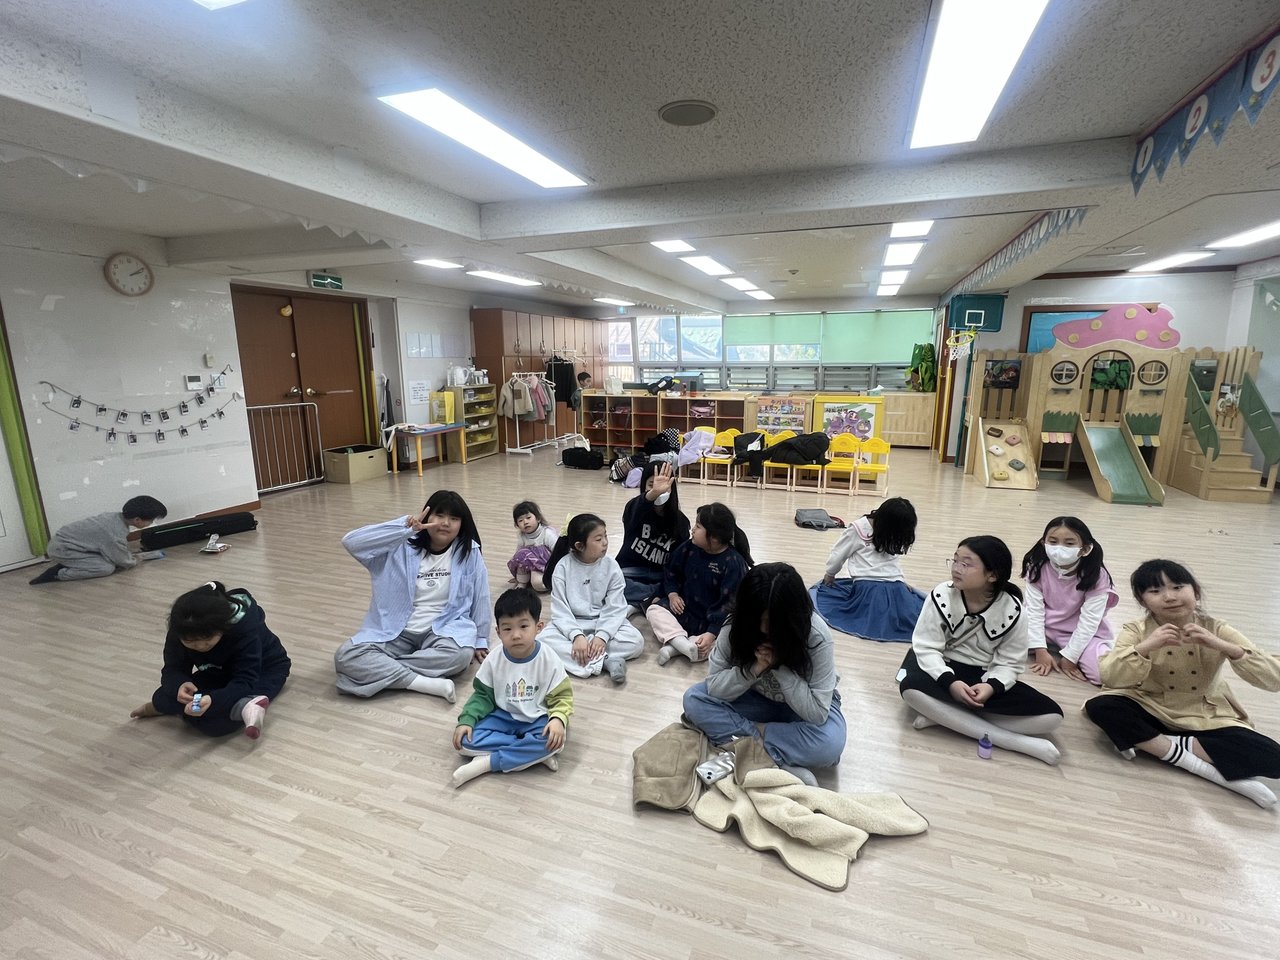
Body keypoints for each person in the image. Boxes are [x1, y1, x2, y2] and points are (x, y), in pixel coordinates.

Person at [1084, 559, 1280, 808]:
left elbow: (1274, 679)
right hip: (1150, 705)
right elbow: (1110, 677)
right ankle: (1200, 766)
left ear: (1195, 592)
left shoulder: (1216, 628)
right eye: (1155, 591)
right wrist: (1145, 647)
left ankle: (1156, 744)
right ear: (1143, 601)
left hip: (1207, 715)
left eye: (1177, 587)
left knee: (1273, 757)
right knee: (1101, 707)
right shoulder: (1137, 629)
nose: (1169, 597)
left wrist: (1225, 647)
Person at [897, 535, 1064, 765]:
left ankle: (945, 716)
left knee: (1052, 717)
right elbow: (926, 648)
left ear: (992, 575)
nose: (956, 568)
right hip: (940, 670)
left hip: (983, 677)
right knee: (910, 688)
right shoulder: (941, 595)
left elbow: (1010, 663)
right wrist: (950, 682)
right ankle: (1014, 742)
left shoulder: (1014, 610)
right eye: (955, 560)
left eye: (966, 564)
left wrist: (991, 686)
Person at [682, 563, 846, 786]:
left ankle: (748, 742)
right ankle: (775, 757)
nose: (763, 629)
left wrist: (779, 668)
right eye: (757, 619)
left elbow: (817, 713)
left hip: (801, 709)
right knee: (694, 699)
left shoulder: (816, 636)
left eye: (773, 622)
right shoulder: (735, 626)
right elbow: (715, 688)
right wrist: (754, 669)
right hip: (756, 699)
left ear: (793, 617)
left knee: (830, 744)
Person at [334, 490, 491, 702]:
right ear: (426, 516)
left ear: (462, 524)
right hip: (396, 630)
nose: (445, 523)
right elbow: (351, 541)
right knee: (345, 656)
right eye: (439, 515)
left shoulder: (469, 552)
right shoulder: (399, 545)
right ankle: (424, 683)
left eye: (454, 518)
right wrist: (403, 527)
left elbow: (481, 596)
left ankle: (381, 669)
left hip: (443, 628)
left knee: (461, 655)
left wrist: (481, 639)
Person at [130, 581, 290, 739]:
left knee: (216, 724)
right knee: (164, 695)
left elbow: (245, 680)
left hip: (264, 669)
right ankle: (242, 707)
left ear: (222, 628)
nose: (200, 647)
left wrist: (213, 700)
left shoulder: (243, 631)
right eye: (191, 643)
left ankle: (242, 705)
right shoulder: (180, 631)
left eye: (207, 641)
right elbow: (172, 669)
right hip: (217, 671)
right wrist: (179, 684)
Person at [451, 588, 573, 787]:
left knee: (555, 740)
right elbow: (482, 696)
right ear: (498, 632)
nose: (516, 635)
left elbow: (562, 697)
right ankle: (531, 755)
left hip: (537, 718)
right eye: (507, 629)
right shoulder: (494, 659)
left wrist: (558, 719)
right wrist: (467, 719)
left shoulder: (548, 658)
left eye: (524, 626)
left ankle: (486, 763)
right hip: (502, 716)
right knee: (464, 742)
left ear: (538, 627)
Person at [538, 513, 643, 684]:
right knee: (542, 641)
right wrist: (576, 636)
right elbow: (560, 609)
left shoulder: (611, 566)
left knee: (636, 642)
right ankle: (605, 661)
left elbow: (615, 606)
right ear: (580, 546)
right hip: (572, 622)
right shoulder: (563, 567)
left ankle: (585, 656)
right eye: (598, 539)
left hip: (603, 621)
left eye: (605, 536)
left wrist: (602, 636)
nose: (605, 542)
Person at [647, 502, 753, 665]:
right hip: (684, 611)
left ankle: (675, 647)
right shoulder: (689, 547)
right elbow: (671, 570)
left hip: (710, 623)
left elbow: (729, 603)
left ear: (714, 537)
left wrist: (711, 633)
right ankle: (682, 643)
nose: (693, 529)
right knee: (654, 610)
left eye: (698, 526)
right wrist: (673, 594)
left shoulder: (733, 563)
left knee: (721, 642)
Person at [1021, 516, 1118, 684]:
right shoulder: (1037, 568)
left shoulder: (1096, 575)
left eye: (1069, 543)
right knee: (995, 644)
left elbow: (1089, 622)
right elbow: (1034, 611)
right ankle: (1045, 645)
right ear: (1043, 543)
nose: (1059, 548)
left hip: (1077, 633)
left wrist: (1070, 657)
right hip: (1043, 628)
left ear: (1085, 549)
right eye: (1053, 542)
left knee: (1104, 675)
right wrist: (1040, 649)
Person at [814, 496, 925, 641]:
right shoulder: (864, 529)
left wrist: (830, 574)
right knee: (906, 616)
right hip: (892, 588)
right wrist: (899, 580)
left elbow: (839, 553)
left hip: (874, 588)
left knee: (874, 615)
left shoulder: (869, 528)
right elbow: (892, 560)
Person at [30, 495, 168, 584]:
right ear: (137, 520)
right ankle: (58, 574)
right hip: (63, 549)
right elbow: (123, 560)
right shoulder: (113, 532)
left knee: (111, 560)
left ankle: (76, 564)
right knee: (105, 568)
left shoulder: (115, 518)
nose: (151, 523)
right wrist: (136, 560)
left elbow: (117, 551)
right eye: (151, 520)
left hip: (73, 546)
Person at [614, 461, 691, 610]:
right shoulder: (634, 508)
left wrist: (672, 589)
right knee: (608, 581)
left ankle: (644, 599)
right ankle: (650, 599)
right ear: (644, 486)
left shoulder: (681, 522)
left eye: (664, 486)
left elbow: (677, 563)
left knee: (683, 588)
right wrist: (654, 493)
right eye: (651, 485)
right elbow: (638, 506)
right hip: (629, 572)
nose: (658, 489)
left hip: (659, 576)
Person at [507, 501, 558, 592]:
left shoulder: (547, 533)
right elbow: (518, 554)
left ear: (538, 518)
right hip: (532, 565)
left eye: (528, 518)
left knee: (537, 584)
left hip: (547, 566)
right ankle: (522, 583)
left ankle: (554, 583)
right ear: (517, 525)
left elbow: (558, 552)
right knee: (521, 557)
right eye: (520, 520)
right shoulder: (522, 536)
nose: (525, 522)